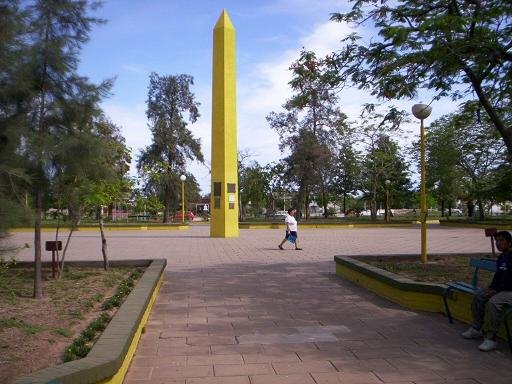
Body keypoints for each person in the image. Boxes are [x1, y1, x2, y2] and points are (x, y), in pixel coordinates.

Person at [461, 230, 512, 351]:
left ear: (510, 243)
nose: (498, 243)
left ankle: (491, 338)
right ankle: (477, 329)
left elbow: (510, 280)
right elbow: (499, 275)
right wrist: (491, 287)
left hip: (510, 290)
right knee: (479, 296)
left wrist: (496, 291)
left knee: (493, 303)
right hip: (502, 289)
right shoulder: (502, 256)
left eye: (501, 241)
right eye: (497, 241)